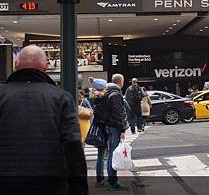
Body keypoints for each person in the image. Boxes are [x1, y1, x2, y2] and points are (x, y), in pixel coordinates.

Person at [0, 45, 88, 195]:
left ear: (17, 64)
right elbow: (72, 147)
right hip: (50, 183)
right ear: (45, 66)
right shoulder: (61, 98)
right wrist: (79, 188)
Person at [94, 74, 128, 190]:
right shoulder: (115, 94)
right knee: (113, 154)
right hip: (114, 126)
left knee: (111, 154)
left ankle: (111, 179)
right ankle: (112, 181)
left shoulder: (107, 92)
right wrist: (122, 128)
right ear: (121, 82)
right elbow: (118, 113)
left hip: (107, 125)